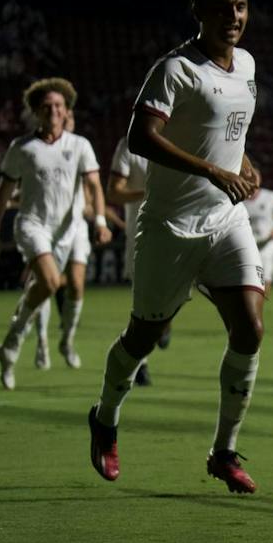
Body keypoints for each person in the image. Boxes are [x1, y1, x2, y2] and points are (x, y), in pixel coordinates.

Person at [86, 0, 265, 495]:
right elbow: (141, 138)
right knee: (143, 337)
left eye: (240, 6)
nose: (233, 16)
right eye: (222, 7)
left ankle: (224, 450)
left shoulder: (248, 64)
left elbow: (223, 128)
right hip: (170, 227)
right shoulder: (176, 69)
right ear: (200, 13)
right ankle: (106, 416)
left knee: (251, 329)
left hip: (226, 220)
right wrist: (213, 170)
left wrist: (243, 161)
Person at [0, 78, 112, 389]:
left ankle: (10, 347)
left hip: (68, 231)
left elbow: (94, 186)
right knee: (51, 282)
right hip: (32, 225)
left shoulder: (79, 145)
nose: (53, 110)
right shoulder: (21, 148)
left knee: (57, 287)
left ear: (66, 109)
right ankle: (16, 345)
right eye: (46, 106)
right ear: (36, 112)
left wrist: (99, 222)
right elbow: (3, 194)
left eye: (58, 105)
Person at [30, 107, 100, 372]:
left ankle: (67, 341)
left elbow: (91, 199)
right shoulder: (39, 151)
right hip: (46, 227)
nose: (65, 120)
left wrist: (95, 216)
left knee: (77, 284)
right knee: (46, 285)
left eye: (70, 117)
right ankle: (42, 343)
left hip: (77, 227)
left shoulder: (81, 150)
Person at [107, 134, 170, 387]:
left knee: (170, 299)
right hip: (142, 233)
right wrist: (146, 192)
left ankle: (165, 325)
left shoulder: (184, 137)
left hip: (179, 230)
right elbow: (114, 192)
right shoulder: (130, 144)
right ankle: (140, 363)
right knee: (143, 301)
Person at [243, 179, 273, 293]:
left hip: (268, 242)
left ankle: (260, 304)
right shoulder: (240, 198)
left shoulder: (270, 197)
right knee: (248, 276)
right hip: (249, 243)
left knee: (265, 274)